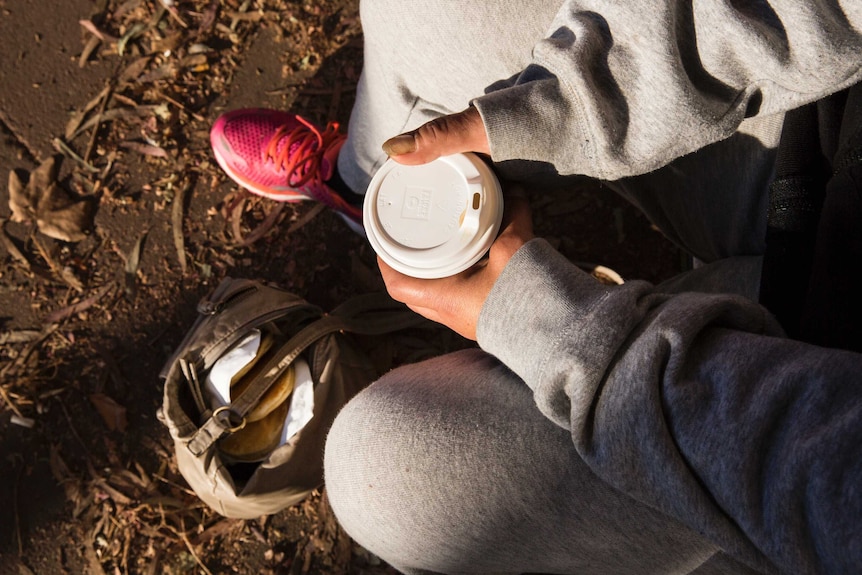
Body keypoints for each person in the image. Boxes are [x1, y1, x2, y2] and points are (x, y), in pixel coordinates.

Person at [210, 0, 862, 573]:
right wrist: (566, 102)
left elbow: (825, 485)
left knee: (378, 471)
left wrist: (553, 325)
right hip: (818, 150)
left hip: (789, 450)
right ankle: (368, 191)